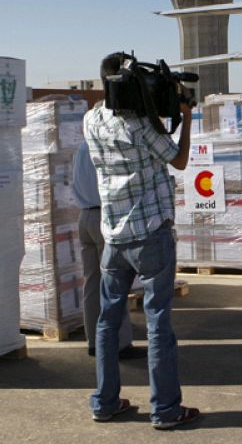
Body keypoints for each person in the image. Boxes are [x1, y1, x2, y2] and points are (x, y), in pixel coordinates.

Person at [84, 53, 201, 428]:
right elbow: (178, 160)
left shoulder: (91, 119)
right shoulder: (140, 125)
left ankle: (105, 402)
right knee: (158, 324)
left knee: (107, 322)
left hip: (113, 236)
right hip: (150, 234)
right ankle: (165, 409)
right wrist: (186, 116)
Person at [72, 139, 145, 360]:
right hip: (105, 216)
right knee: (115, 281)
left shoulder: (81, 148)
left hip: (85, 216)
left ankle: (94, 341)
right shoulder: (104, 148)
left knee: (92, 283)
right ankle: (120, 344)